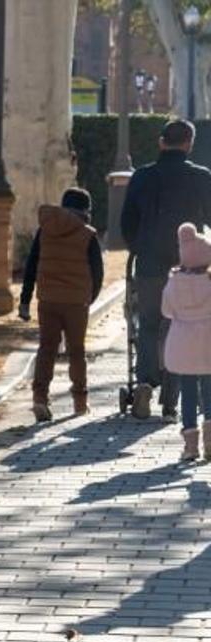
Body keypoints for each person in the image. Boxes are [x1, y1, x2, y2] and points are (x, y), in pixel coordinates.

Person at [122, 119, 211, 420]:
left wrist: (138, 247)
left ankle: (145, 381)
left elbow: (127, 221)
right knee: (177, 325)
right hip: (187, 265)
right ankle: (171, 400)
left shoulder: (142, 177)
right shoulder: (200, 177)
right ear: (189, 144)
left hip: (148, 262)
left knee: (147, 324)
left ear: (161, 142)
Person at [18, 188, 104, 422]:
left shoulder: (44, 229)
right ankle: (80, 402)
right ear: (86, 210)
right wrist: (89, 297)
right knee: (76, 351)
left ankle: (40, 398)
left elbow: (31, 264)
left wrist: (25, 299)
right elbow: (98, 272)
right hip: (77, 302)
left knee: (47, 349)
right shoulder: (88, 235)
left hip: (47, 299)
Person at [162, 223, 211, 460]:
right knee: (210, 392)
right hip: (208, 344)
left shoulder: (173, 282)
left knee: (188, 393)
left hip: (183, 345)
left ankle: (190, 446)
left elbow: (166, 311)